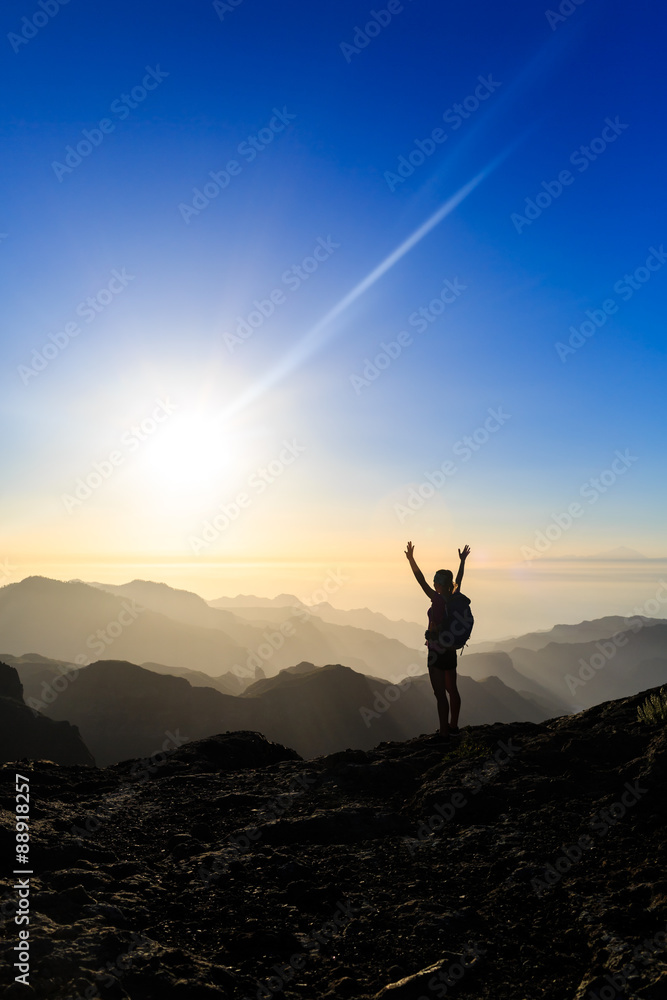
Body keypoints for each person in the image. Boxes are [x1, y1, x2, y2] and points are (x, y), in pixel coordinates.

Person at [405, 540, 470, 742]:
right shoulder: (454, 597)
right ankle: (454, 726)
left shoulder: (437, 599)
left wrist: (411, 560)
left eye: (436, 582)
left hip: (435, 651)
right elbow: (458, 579)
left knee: (440, 694)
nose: (433, 584)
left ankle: (443, 733)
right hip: (450, 650)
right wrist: (462, 562)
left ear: (439, 584)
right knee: (453, 690)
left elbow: (420, 580)